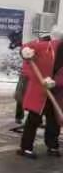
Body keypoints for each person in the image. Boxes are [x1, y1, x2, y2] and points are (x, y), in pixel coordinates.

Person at [18, 26, 63, 159]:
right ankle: (25, 148)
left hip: (57, 92)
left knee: (54, 120)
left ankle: (52, 145)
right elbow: (27, 47)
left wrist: (56, 82)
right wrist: (25, 51)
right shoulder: (45, 46)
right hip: (39, 90)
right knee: (34, 119)